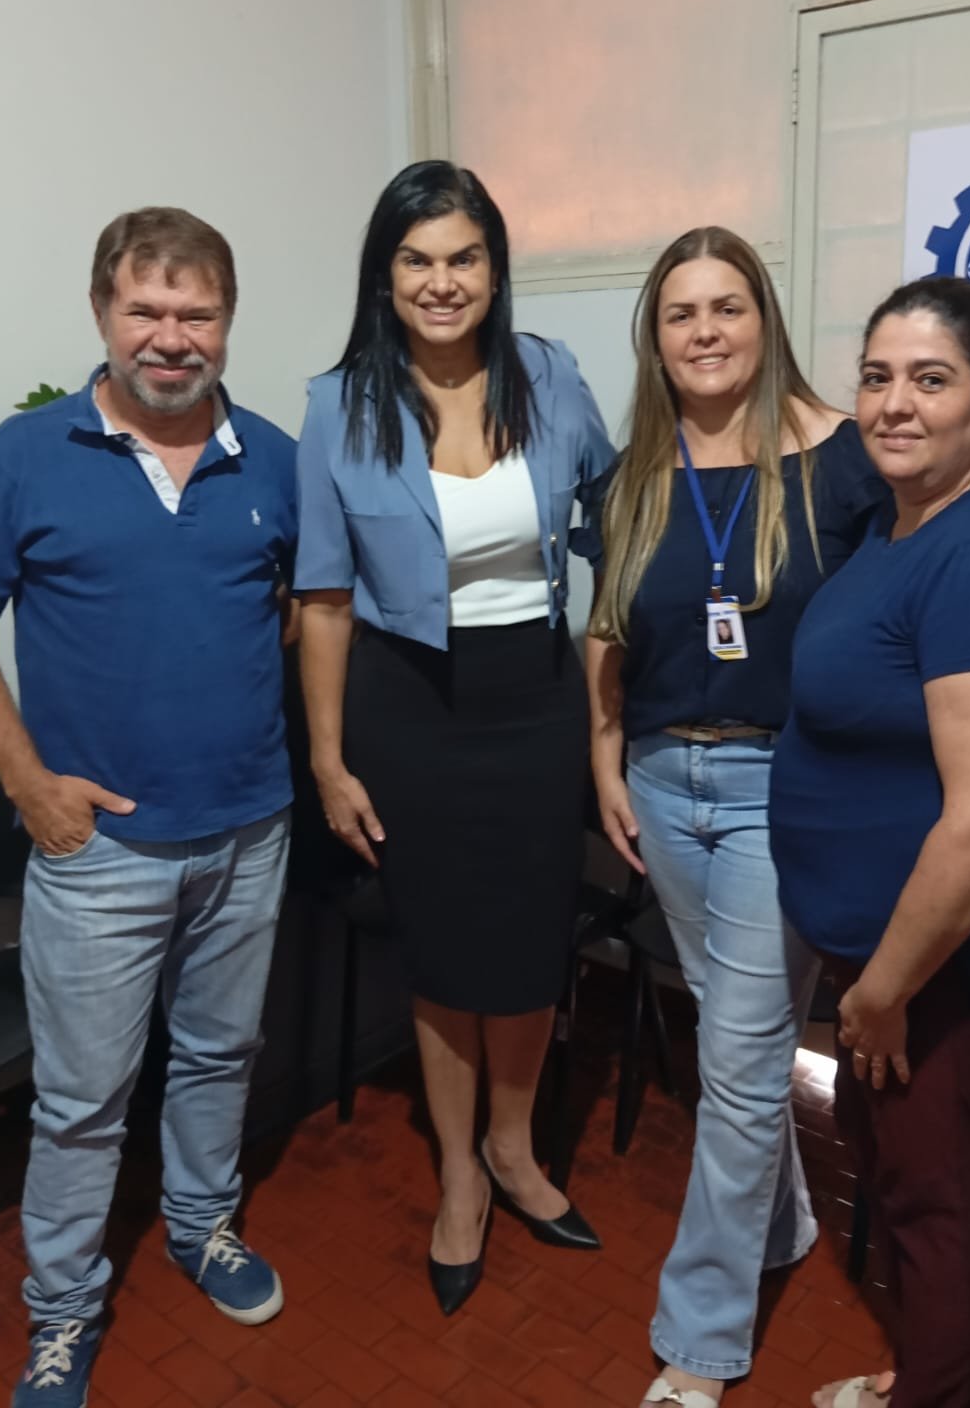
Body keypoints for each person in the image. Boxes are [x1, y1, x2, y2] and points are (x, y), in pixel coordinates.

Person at [0, 208, 298, 1408]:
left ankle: (201, 1222)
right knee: (84, 1102)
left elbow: (297, 612)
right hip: (100, 852)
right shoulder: (20, 456)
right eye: (146, 309)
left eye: (197, 313)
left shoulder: (273, 458)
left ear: (227, 322)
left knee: (221, 1052)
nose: (171, 336)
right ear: (102, 311)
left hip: (250, 830)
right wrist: (30, 786)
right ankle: (63, 1309)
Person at [769, 276, 970, 1408]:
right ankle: (926, 1371)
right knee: (905, 1178)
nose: (894, 404)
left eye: (931, 379)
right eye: (876, 376)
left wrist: (884, 992)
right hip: (887, 956)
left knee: (935, 1203)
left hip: (934, 967)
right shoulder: (904, 516)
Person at [295, 160, 614, 1315]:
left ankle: (516, 1152)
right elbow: (324, 598)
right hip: (408, 707)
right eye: (417, 259)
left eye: (464, 257)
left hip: (534, 699)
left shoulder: (550, 374)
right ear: (384, 276)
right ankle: (459, 1177)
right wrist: (329, 759)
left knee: (527, 943)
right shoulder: (338, 404)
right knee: (441, 953)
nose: (442, 281)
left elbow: (615, 519)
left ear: (494, 266)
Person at [583, 226, 886, 1406]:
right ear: (654, 338)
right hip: (664, 782)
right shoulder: (633, 475)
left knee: (744, 1067)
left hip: (781, 791)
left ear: (764, 318)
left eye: (727, 307)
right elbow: (607, 625)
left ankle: (699, 1344)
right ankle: (784, 1221)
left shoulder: (843, 463)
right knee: (734, 1035)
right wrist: (605, 753)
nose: (705, 332)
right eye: (681, 313)